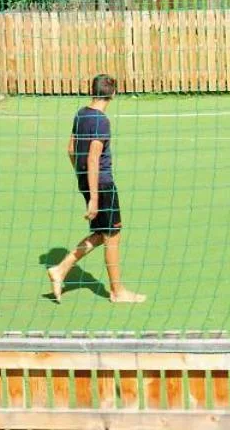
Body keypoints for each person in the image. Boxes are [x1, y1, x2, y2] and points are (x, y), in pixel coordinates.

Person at [46, 74, 146, 304]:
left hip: (88, 181)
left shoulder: (81, 114)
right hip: (101, 184)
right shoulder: (102, 120)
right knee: (113, 234)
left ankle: (60, 270)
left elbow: (70, 149)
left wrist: (81, 178)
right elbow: (93, 158)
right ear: (113, 93)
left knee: (102, 233)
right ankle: (117, 292)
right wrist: (94, 197)